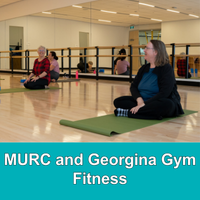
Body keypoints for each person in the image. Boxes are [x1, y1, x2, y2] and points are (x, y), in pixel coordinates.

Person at [113, 40, 184, 120]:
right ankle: (148, 113)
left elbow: (164, 93)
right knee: (118, 101)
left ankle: (129, 113)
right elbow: (133, 86)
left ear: (156, 52)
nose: (144, 50)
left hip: (157, 101)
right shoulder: (143, 68)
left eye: (147, 48)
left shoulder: (166, 68)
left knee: (167, 105)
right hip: (142, 101)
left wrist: (145, 104)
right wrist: (139, 100)